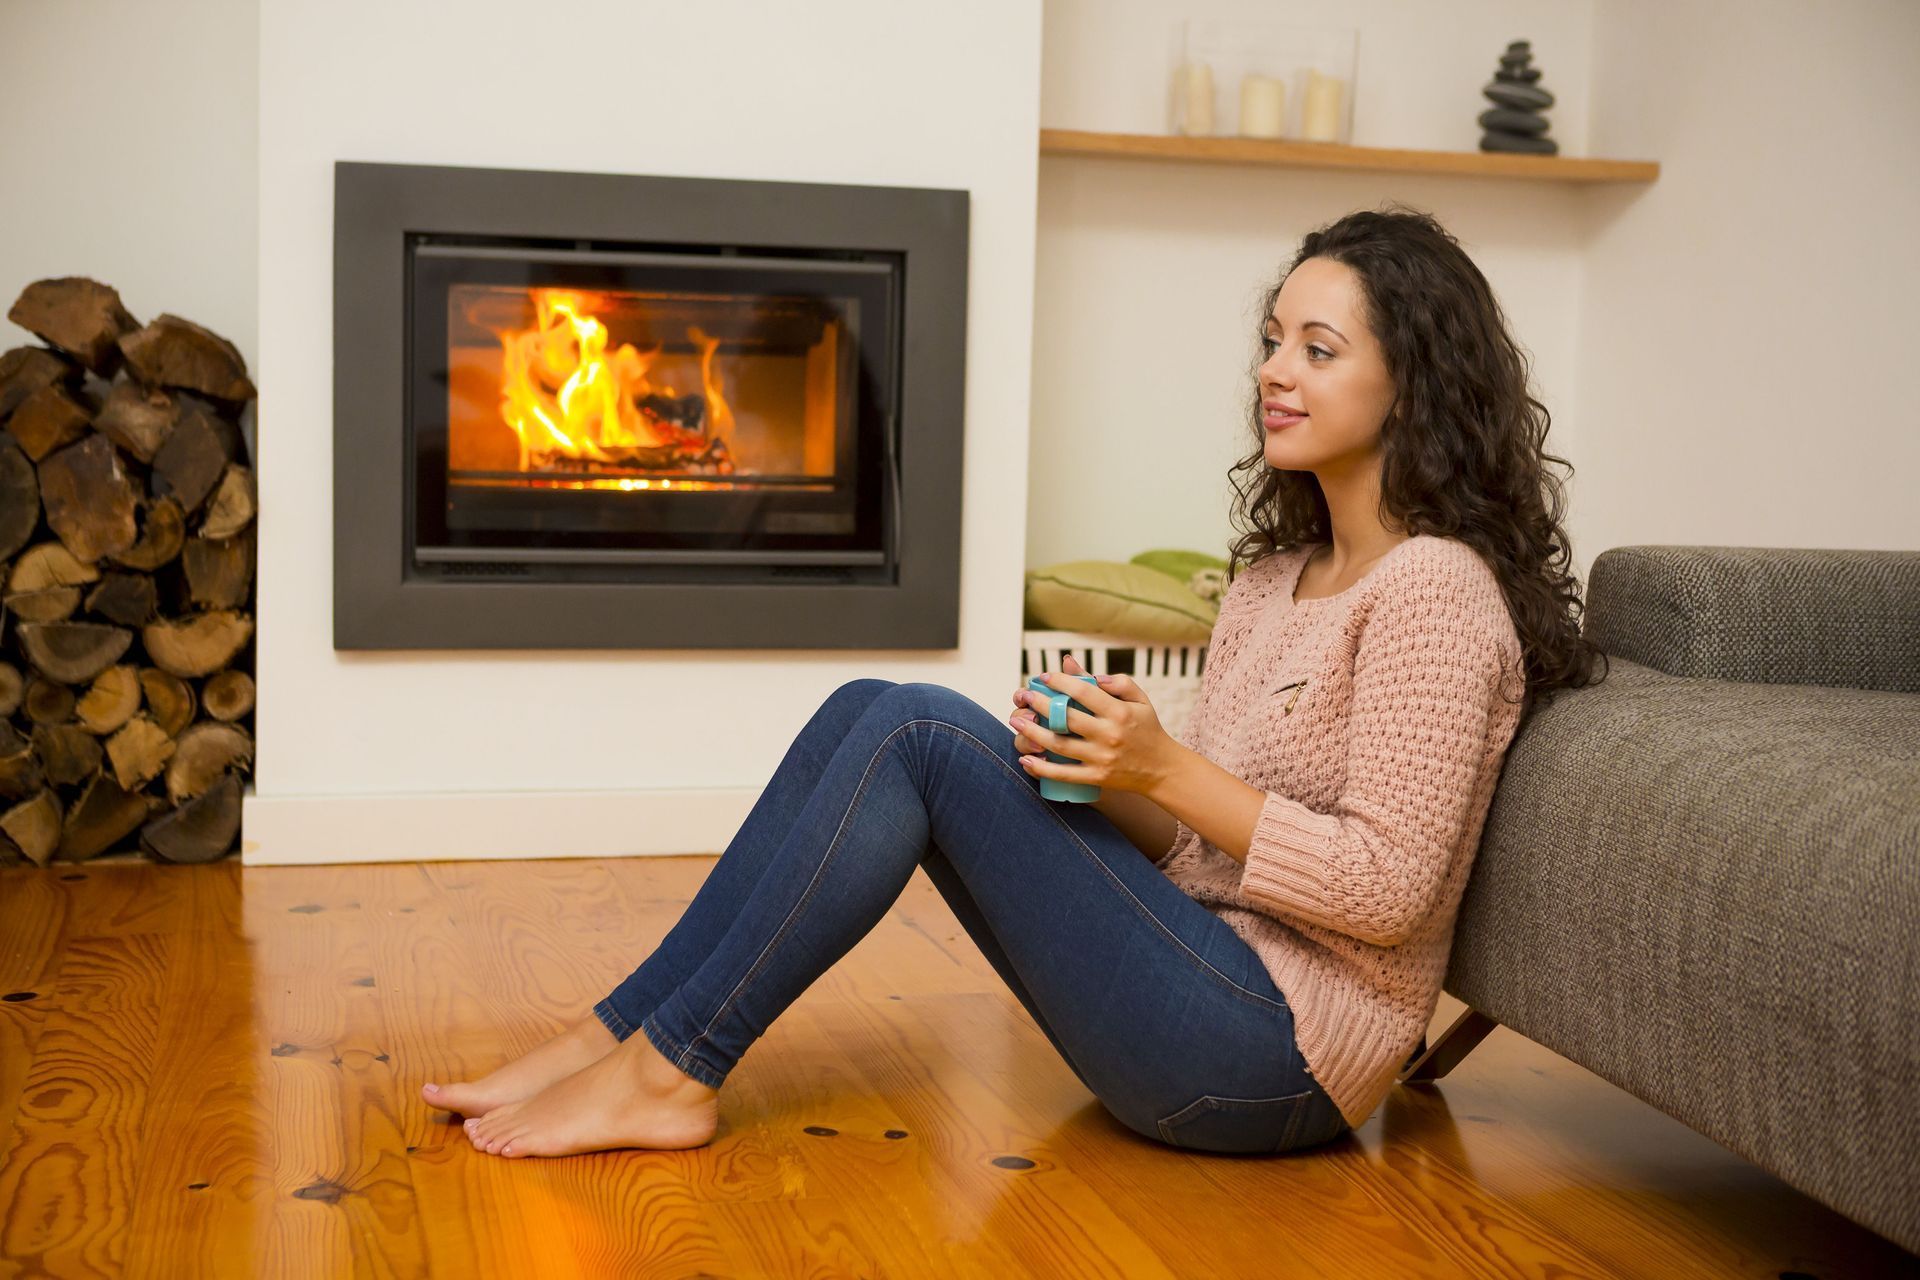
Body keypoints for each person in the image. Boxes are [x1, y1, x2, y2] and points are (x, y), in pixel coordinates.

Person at [422, 204, 1606, 1159]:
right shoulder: (1271, 581)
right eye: (1271, 338)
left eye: (1318, 348)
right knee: (875, 711)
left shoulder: (1436, 592)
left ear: (1415, 383)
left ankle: (666, 1071)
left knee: (919, 734)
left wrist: (1170, 769)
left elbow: (1390, 888)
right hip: (1199, 980)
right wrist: (1100, 770)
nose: (1273, 372)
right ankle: (616, 1032)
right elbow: (1203, 857)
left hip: (1279, 1063)